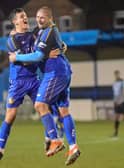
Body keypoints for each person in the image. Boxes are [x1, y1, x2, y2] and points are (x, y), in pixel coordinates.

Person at [9, 6, 80, 165]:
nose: (39, 19)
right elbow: (52, 45)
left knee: (40, 104)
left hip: (54, 72)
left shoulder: (48, 31)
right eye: (38, 17)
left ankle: (55, 139)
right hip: (62, 70)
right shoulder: (41, 31)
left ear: (50, 19)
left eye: (43, 17)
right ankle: (73, 146)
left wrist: (17, 57)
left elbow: (38, 55)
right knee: (63, 110)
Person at [0, 8, 64, 160]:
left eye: (25, 16)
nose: (25, 18)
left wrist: (61, 46)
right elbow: (27, 60)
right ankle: (1, 148)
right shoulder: (12, 40)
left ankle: (51, 140)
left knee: (46, 106)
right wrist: (45, 55)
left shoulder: (33, 34)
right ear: (14, 22)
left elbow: (48, 40)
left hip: (34, 79)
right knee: (11, 115)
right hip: (18, 82)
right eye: (21, 17)